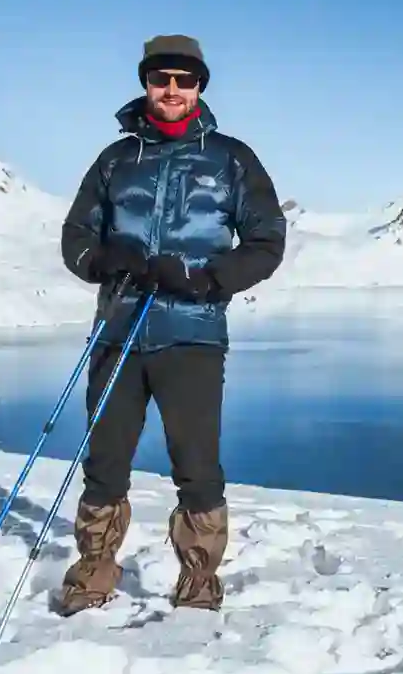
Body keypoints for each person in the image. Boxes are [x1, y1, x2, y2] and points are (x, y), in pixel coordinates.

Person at [55, 34, 287, 614]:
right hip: (118, 332)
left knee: (197, 467)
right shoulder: (115, 160)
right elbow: (76, 239)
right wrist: (105, 261)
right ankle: (92, 576)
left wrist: (206, 278)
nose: (173, 91)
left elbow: (265, 242)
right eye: (162, 79)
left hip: (193, 336)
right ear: (146, 83)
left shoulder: (231, 158)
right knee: (104, 462)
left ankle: (199, 581)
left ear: (201, 86)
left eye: (185, 80)